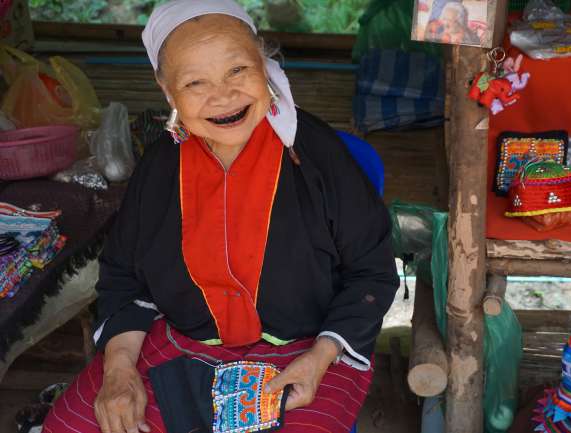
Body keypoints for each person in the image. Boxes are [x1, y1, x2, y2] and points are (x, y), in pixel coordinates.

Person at [42, 1, 399, 432]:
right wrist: (119, 371)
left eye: (238, 71)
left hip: (307, 353)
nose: (224, 96)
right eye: (195, 82)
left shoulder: (316, 155)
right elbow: (123, 276)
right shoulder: (159, 167)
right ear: (167, 89)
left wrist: (320, 356)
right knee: (71, 425)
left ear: (262, 62)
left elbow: (371, 272)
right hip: (179, 345)